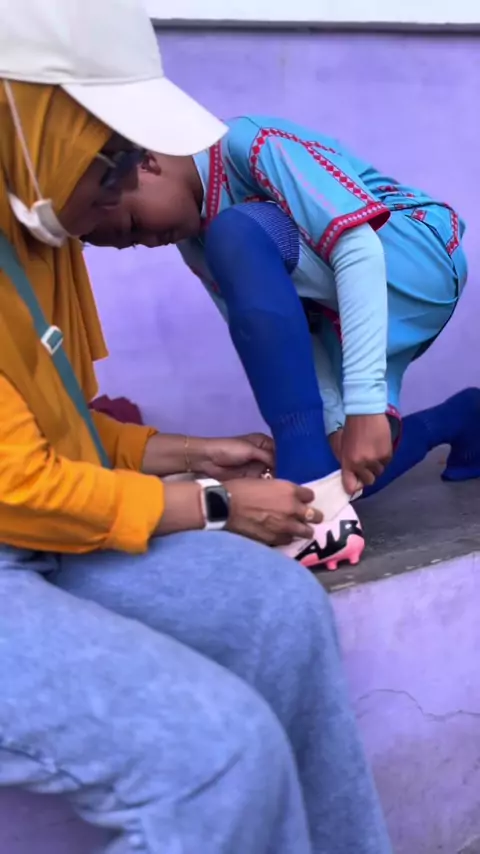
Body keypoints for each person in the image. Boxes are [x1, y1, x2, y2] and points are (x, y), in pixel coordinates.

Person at [0, 1, 393, 853]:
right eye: (110, 161)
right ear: (30, 123)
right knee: (215, 756)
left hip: (45, 537)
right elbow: (19, 489)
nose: (119, 194)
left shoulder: (34, 230)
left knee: (283, 613)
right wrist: (214, 503)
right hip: (22, 533)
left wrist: (195, 453)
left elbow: (59, 435)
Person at [86, 116, 480, 570]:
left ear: (148, 163)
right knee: (343, 473)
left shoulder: (248, 143)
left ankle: (306, 468)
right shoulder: (195, 242)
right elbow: (279, 336)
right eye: (134, 244)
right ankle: (461, 418)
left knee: (236, 231)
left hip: (413, 257)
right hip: (338, 314)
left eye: (135, 224)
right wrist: (338, 421)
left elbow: (358, 249)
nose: (149, 242)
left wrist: (365, 404)